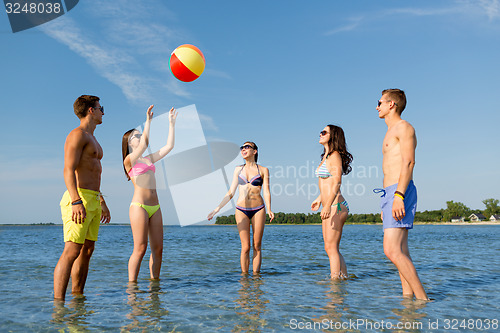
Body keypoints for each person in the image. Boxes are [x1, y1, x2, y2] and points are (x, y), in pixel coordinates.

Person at [54, 95, 111, 301]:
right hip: (79, 198)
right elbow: (68, 170)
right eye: (100, 107)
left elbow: (95, 172)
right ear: (90, 110)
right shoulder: (76, 135)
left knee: (87, 250)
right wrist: (76, 201)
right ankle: (58, 305)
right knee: (71, 251)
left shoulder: (93, 138)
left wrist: (102, 201)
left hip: (94, 199)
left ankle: (77, 298)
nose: (102, 112)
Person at [376, 88, 429, 300]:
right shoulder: (389, 131)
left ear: (392, 105)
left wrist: (399, 196)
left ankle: (423, 299)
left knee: (391, 250)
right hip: (390, 193)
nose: (377, 106)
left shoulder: (404, 127)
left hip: (400, 191)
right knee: (401, 251)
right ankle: (408, 301)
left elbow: (408, 162)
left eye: (380, 102)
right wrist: (385, 203)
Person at [122, 105, 177, 282]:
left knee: (158, 249)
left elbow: (169, 146)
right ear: (130, 143)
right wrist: (148, 121)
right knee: (140, 248)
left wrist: (171, 124)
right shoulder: (129, 160)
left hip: (156, 207)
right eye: (136, 136)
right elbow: (145, 142)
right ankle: (132, 287)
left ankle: (155, 286)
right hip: (139, 207)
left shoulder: (147, 159)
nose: (141, 137)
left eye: (140, 134)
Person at [207, 142, 274, 273]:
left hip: (258, 209)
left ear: (255, 151)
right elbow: (231, 192)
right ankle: (244, 279)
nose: (243, 149)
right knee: (245, 247)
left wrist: (270, 209)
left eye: (247, 147)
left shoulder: (263, 170)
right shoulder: (238, 169)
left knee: (256, 245)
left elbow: (266, 191)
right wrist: (217, 208)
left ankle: (256, 278)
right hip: (241, 210)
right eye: (242, 148)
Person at [311, 125, 353, 279]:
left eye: (324, 132)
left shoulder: (334, 155)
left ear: (333, 136)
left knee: (331, 247)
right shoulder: (326, 156)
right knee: (330, 247)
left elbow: (336, 182)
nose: (320, 134)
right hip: (330, 203)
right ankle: (343, 278)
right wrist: (319, 198)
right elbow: (326, 183)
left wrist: (327, 205)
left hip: (336, 205)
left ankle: (334, 284)